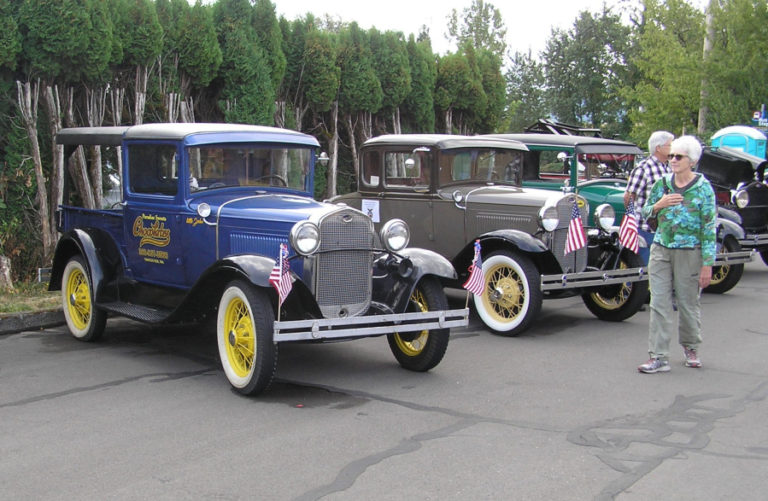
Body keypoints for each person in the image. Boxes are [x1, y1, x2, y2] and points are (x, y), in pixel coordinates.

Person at [637, 136, 716, 373]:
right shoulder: (662, 183)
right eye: (671, 155)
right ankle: (658, 356)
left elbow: (709, 228)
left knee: (687, 302)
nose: (672, 160)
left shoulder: (703, 189)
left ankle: (691, 347)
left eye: (678, 156)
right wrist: (659, 204)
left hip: (690, 252)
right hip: (662, 248)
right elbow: (645, 212)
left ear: (691, 160)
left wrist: (707, 264)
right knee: (659, 302)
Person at [624, 131, 674, 262]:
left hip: (665, 230)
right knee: (647, 271)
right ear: (658, 148)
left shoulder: (669, 169)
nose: (673, 148)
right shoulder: (643, 169)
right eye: (670, 145)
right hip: (646, 230)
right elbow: (629, 197)